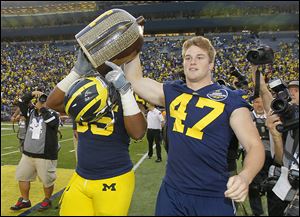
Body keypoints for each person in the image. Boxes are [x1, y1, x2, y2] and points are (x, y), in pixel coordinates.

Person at [106, 35, 265, 216]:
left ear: (211, 64)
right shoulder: (173, 91)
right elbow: (134, 80)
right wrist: (133, 41)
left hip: (213, 195)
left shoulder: (230, 99)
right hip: (172, 192)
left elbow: (254, 146)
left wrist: (245, 177)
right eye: (188, 58)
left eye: (200, 57)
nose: (192, 62)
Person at [46, 49, 147, 216]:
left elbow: (138, 133)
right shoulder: (86, 89)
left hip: (113, 178)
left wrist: (125, 91)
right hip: (81, 175)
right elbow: (52, 103)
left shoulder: (126, 94)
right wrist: (76, 72)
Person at [250, 66, 299, 216]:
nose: (292, 92)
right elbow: (264, 91)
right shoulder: (284, 115)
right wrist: (255, 66)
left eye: (297, 90)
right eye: (290, 89)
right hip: (284, 185)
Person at [10, 91, 59, 211]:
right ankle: (25, 200)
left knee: (47, 180)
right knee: (22, 177)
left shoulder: (52, 113)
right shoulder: (30, 112)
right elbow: (21, 102)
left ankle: (47, 200)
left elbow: (52, 123)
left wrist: (42, 109)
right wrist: (31, 94)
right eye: (39, 100)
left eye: (43, 100)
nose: (40, 102)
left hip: (45, 154)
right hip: (28, 153)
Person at [248, 96, 273, 216]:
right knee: (253, 187)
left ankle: (272, 211)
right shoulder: (246, 118)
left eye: (262, 102)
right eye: (257, 102)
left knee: (271, 185)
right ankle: (257, 213)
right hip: (253, 155)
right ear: (252, 103)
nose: (260, 105)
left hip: (271, 156)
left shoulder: (272, 117)